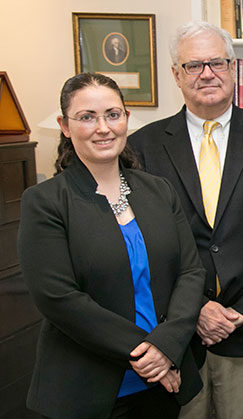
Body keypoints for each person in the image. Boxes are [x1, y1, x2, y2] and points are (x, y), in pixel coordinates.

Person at [128, 21, 243, 419]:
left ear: (234, 69)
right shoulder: (142, 147)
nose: (207, 73)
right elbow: (142, 243)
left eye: (217, 63)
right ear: (175, 75)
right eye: (193, 65)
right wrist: (195, 307)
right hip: (176, 337)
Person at [18, 72, 205, 419]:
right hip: (88, 392)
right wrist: (148, 353)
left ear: (126, 119)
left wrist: (167, 345)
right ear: (64, 125)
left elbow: (191, 272)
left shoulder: (159, 190)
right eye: (87, 117)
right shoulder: (45, 202)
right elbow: (58, 298)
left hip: (161, 384)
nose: (103, 128)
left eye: (112, 114)